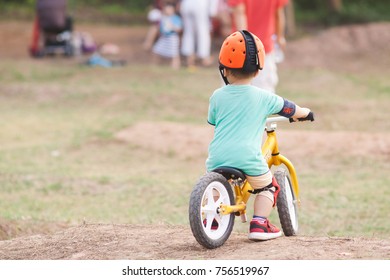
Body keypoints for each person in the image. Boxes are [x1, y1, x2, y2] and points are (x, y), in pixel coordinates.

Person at [206, 30, 312, 240]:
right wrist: (306, 113)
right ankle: (259, 224)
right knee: (268, 186)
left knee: (217, 185)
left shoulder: (217, 96)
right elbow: (289, 108)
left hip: (216, 156)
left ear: (224, 70)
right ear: (257, 72)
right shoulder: (263, 97)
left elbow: (213, 121)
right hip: (247, 157)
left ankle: (214, 219)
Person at [228, 0, 288, 92]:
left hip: (239, 49)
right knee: (265, 93)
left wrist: (245, 43)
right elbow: (279, 14)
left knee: (235, 93)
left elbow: (240, 13)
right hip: (265, 48)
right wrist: (280, 37)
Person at [179, 0, 219, 68]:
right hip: (200, 4)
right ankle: (204, 58)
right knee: (203, 31)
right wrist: (213, 11)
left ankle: (189, 59)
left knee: (188, 32)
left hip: (186, 4)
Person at [152, 2, 183, 69]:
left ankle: (175, 66)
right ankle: (155, 65)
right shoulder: (163, 18)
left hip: (172, 38)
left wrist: (173, 27)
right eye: (167, 9)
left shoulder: (176, 18)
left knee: (174, 54)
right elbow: (160, 28)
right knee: (156, 50)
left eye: (170, 9)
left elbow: (179, 29)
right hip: (164, 37)